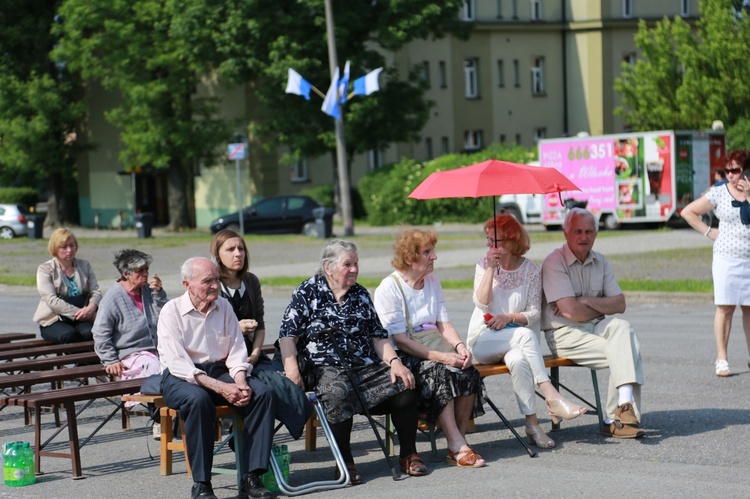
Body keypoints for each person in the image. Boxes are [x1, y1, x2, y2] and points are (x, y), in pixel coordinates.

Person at [278, 239, 424, 485]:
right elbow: (287, 336)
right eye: (348, 264)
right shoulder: (307, 291)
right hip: (326, 368)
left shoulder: (360, 294)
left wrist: (396, 362)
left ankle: (408, 453)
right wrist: (292, 369)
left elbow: (378, 337)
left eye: (356, 263)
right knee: (336, 392)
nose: (355, 269)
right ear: (329, 267)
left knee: (405, 384)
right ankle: (345, 461)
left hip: (364, 367)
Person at [158, 257, 275, 499]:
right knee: (198, 400)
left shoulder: (224, 307)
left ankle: (251, 476)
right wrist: (222, 387)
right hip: (181, 375)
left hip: (219, 370)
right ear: (187, 284)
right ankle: (202, 484)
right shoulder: (171, 311)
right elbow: (178, 363)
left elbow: (236, 350)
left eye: (216, 280)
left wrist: (240, 381)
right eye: (207, 281)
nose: (214, 286)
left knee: (262, 393)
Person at [466, 215, 586, 449]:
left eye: (494, 240)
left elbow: (533, 313)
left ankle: (532, 424)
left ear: (511, 240)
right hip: (484, 340)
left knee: (519, 360)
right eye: (488, 240)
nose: (489, 245)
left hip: (515, 342)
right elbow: (481, 304)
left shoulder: (530, 269)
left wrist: (509, 317)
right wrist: (491, 269)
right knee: (525, 335)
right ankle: (551, 395)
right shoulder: (483, 264)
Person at [374, 228, 486, 467]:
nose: (434, 256)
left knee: (468, 370)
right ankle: (456, 443)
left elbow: (443, 323)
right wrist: (444, 358)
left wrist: (459, 347)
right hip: (405, 354)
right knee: (440, 372)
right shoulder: (389, 287)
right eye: (427, 252)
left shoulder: (432, 282)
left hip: (434, 344)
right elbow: (401, 340)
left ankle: (457, 442)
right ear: (408, 258)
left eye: (433, 251)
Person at [541, 208, 645, 439]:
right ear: (566, 232)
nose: (583, 237)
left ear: (596, 234)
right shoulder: (553, 263)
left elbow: (620, 304)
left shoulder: (601, 261)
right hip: (564, 334)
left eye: (589, 231)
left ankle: (622, 408)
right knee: (628, 349)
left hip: (596, 328)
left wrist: (585, 300)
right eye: (577, 231)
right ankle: (616, 418)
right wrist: (589, 306)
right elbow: (571, 313)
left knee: (622, 327)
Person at [209, 229, 311, 439]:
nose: (238, 254)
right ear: (217, 255)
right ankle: (248, 439)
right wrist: (237, 328)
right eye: (230, 249)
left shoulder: (251, 281)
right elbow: (208, 332)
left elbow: (261, 325)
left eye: (241, 249)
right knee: (264, 388)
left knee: (284, 380)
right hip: (222, 358)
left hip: (252, 354)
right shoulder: (212, 284)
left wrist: (254, 355)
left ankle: (257, 438)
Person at [682, 149, 750, 376]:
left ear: (746, 170)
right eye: (727, 170)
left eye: (736, 170)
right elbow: (688, 212)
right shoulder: (719, 192)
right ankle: (722, 358)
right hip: (726, 258)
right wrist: (709, 231)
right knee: (725, 308)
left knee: (749, 310)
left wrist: (748, 196)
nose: (730, 175)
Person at [92, 249, 167, 436]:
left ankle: (177, 415)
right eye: (139, 271)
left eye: (146, 269)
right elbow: (100, 332)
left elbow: (167, 317)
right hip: (130, 355)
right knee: (155, 368)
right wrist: (109, 360)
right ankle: (159, 419)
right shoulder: (113, 297)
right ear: (126, 274)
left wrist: (158, 293)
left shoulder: (148, 292)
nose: (145, 274)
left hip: (156, 349)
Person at [33, 228, 102, 344]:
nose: (69, 250)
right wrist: (81, 314)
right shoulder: (45, 269)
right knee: (69, 335)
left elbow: (96, 291)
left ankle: (86, 362)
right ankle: (83, 362)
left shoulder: (84, 265)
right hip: (54, 319)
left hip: (84, 315)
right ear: (55, 248)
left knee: (90, 333)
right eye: (64, 247)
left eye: (72, 245)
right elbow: (51, 300)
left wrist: (91, 308)